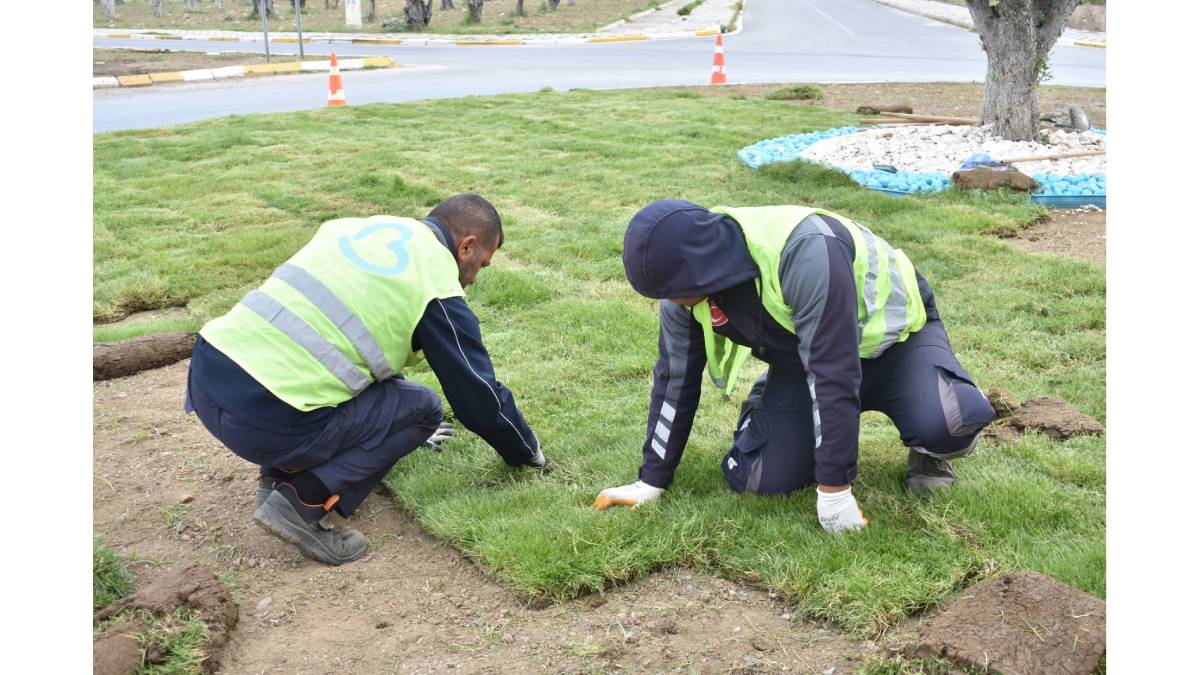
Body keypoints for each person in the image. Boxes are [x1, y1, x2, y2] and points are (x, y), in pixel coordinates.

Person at [593, 200, 995, 533]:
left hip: (896, 345)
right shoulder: (684, 290)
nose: (671, 302)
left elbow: (832, 372)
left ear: (700, 269)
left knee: (951, 423)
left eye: (673, 293)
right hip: (807, 362)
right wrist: (651, 480)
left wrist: (835, 493)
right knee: (757, 479)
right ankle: (770, 405)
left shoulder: (805, 251)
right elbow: (674, 380)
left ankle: (928, 445)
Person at [186, 194, 544, 565]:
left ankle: (276, 480)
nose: (473, 278)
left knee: (331, 377)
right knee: (423, 410)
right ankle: (301, 501)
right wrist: (526, 450)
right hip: (264, 422)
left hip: (207, 378)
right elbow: (476, 396)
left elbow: (350, 334)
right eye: (481, 265)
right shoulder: (435, 281)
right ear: (467, 246)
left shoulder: (357, 229)